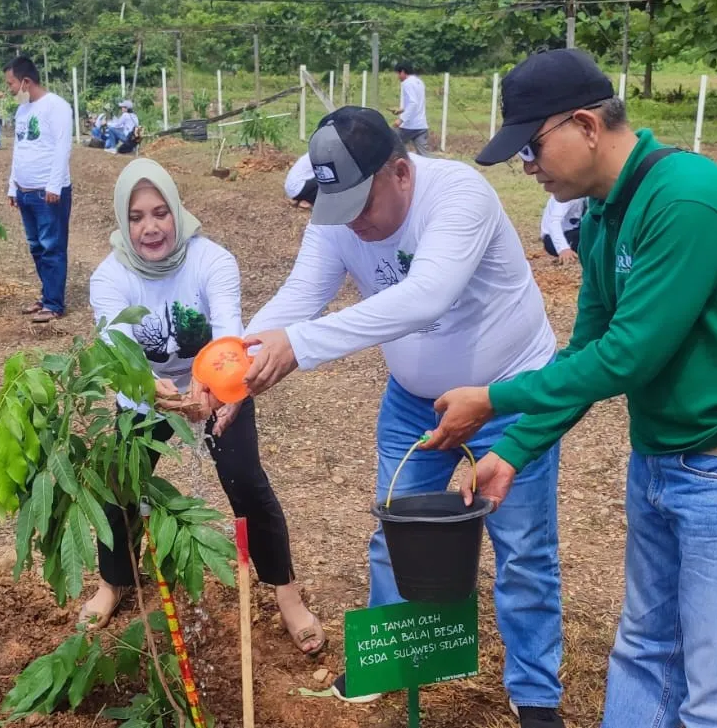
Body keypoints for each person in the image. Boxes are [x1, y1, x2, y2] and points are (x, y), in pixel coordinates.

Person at [429, 48, 717, 728]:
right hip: (663, 464)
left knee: (715, 695)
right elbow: (591, 353)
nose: (528, 167)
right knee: (643, 651)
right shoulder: (606, 213)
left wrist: (491, 399)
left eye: (533, 147)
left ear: (584, 124)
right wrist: (513, 451)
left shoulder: (685, 197)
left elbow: (629, 357)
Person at [237, 106, 567, 728]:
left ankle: (536, 693)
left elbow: (426, 297)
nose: (352, 224)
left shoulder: (458, 195)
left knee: (522, 547)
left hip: (508, 391)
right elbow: (299, 297)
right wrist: (232, 365)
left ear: (400, 172)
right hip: (414, 399)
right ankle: (387, 661)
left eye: (363, 206)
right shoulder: (339, 208)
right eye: (339, 209)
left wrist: (301, 346)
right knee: (394, 528)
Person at [82, 157, 326, 655]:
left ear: (177, 210)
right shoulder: (110, 277)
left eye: (159, 212)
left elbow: (228, 336)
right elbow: (120, 354)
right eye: (136, 217)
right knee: (121, 484)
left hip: (216, 385)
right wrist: (159, 394)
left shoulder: (213, 260)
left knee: (246, 482)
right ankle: (115, 581)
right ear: (122, 223)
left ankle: (286, 592)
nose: (150, 227)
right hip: (145, 392)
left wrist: (212, 391)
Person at [5, 55, 74, 324]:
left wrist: (54, 184)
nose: (10, 89)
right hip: (26, 192)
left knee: (52, 246)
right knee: (36, 246)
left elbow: (62, 147)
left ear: (26, 81)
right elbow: (19, 150)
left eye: (11, 84)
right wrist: (13, 186)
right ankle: (46, 296)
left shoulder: (56, 106)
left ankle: (55, 304)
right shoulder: (22, 111)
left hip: (48, 193)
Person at [393, 62, 430, 156]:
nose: (398, 76)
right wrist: (401, 110)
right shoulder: (419, 82)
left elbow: (413, 103)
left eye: (398, 73)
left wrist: (401, 119)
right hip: (421, 125)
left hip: (408, 126)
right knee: (424, 156)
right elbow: (415, 102)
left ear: (403, 72)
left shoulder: (407, 83)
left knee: (391, 145)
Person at [539, 194, 584, 264]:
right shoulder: (566, 192)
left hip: (575, 230)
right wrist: (563, 248)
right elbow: (553, 222)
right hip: (553, 238)